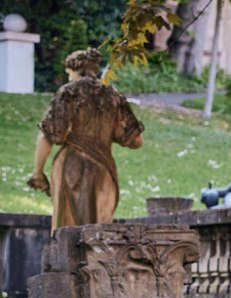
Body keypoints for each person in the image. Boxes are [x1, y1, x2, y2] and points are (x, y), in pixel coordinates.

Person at [28, 48, 145, 231]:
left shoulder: (69, 92)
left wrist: (37, 173)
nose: (69, 78)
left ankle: (66, 259)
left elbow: (48, 135)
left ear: (75, 70)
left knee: (66, 226)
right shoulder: (113, 96)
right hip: (103, 168)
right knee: (99, 229)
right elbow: (137, 140)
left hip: (70, 165)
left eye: (69, 74)